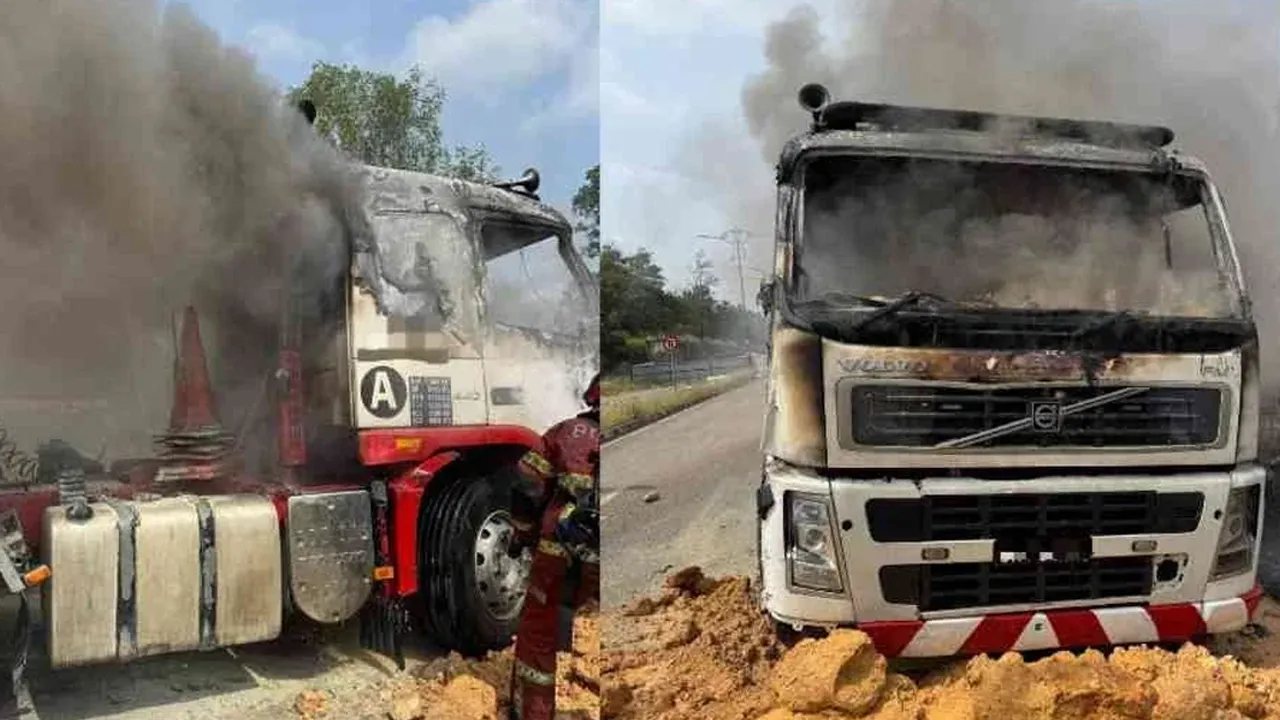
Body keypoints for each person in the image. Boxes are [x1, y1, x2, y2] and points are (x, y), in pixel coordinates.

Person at [507, 374, 601, 720]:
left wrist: (522, 535)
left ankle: (534, 713)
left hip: (558, 553)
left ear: (592, 398)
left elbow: (526, 484)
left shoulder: (567, 433)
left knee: (538, 636)